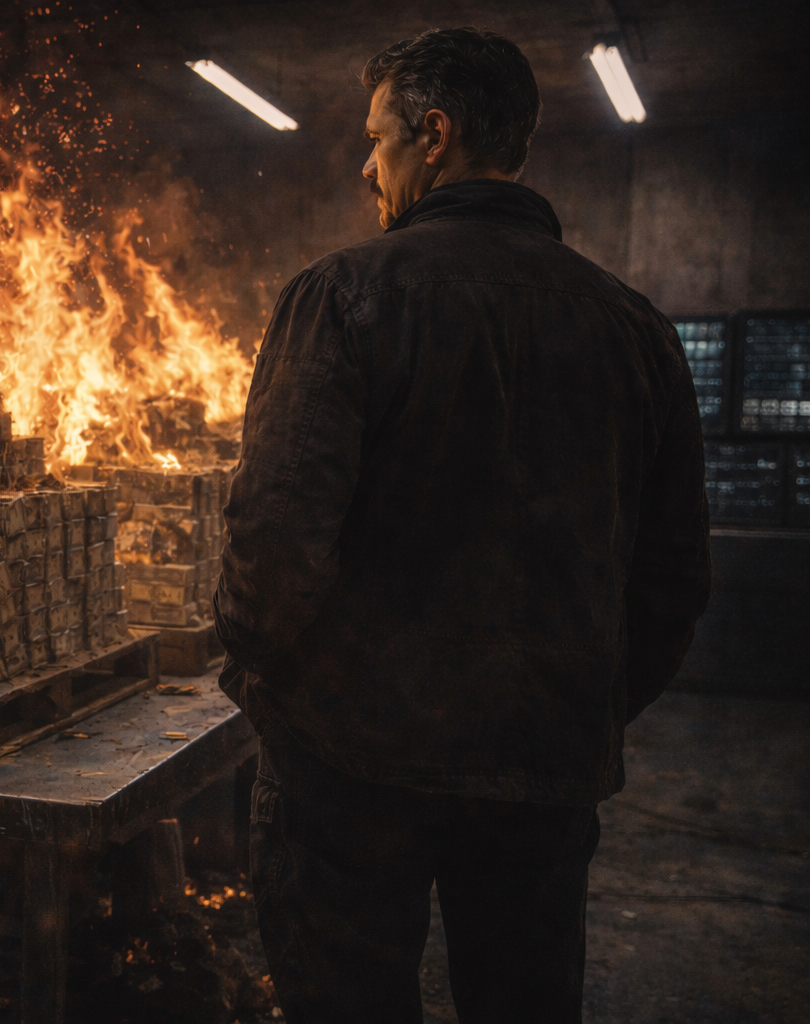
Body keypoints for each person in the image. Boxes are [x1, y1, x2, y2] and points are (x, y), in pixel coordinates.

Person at [214, 27, 711, 1023]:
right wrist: (580, 706)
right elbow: (671, 580)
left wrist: (263, 678)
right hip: (541, 767)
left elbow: (274, 544)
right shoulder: (635, 330)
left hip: (350, 764)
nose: (365, 165)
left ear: (432, 136)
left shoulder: (344, 296)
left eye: (377, 139)